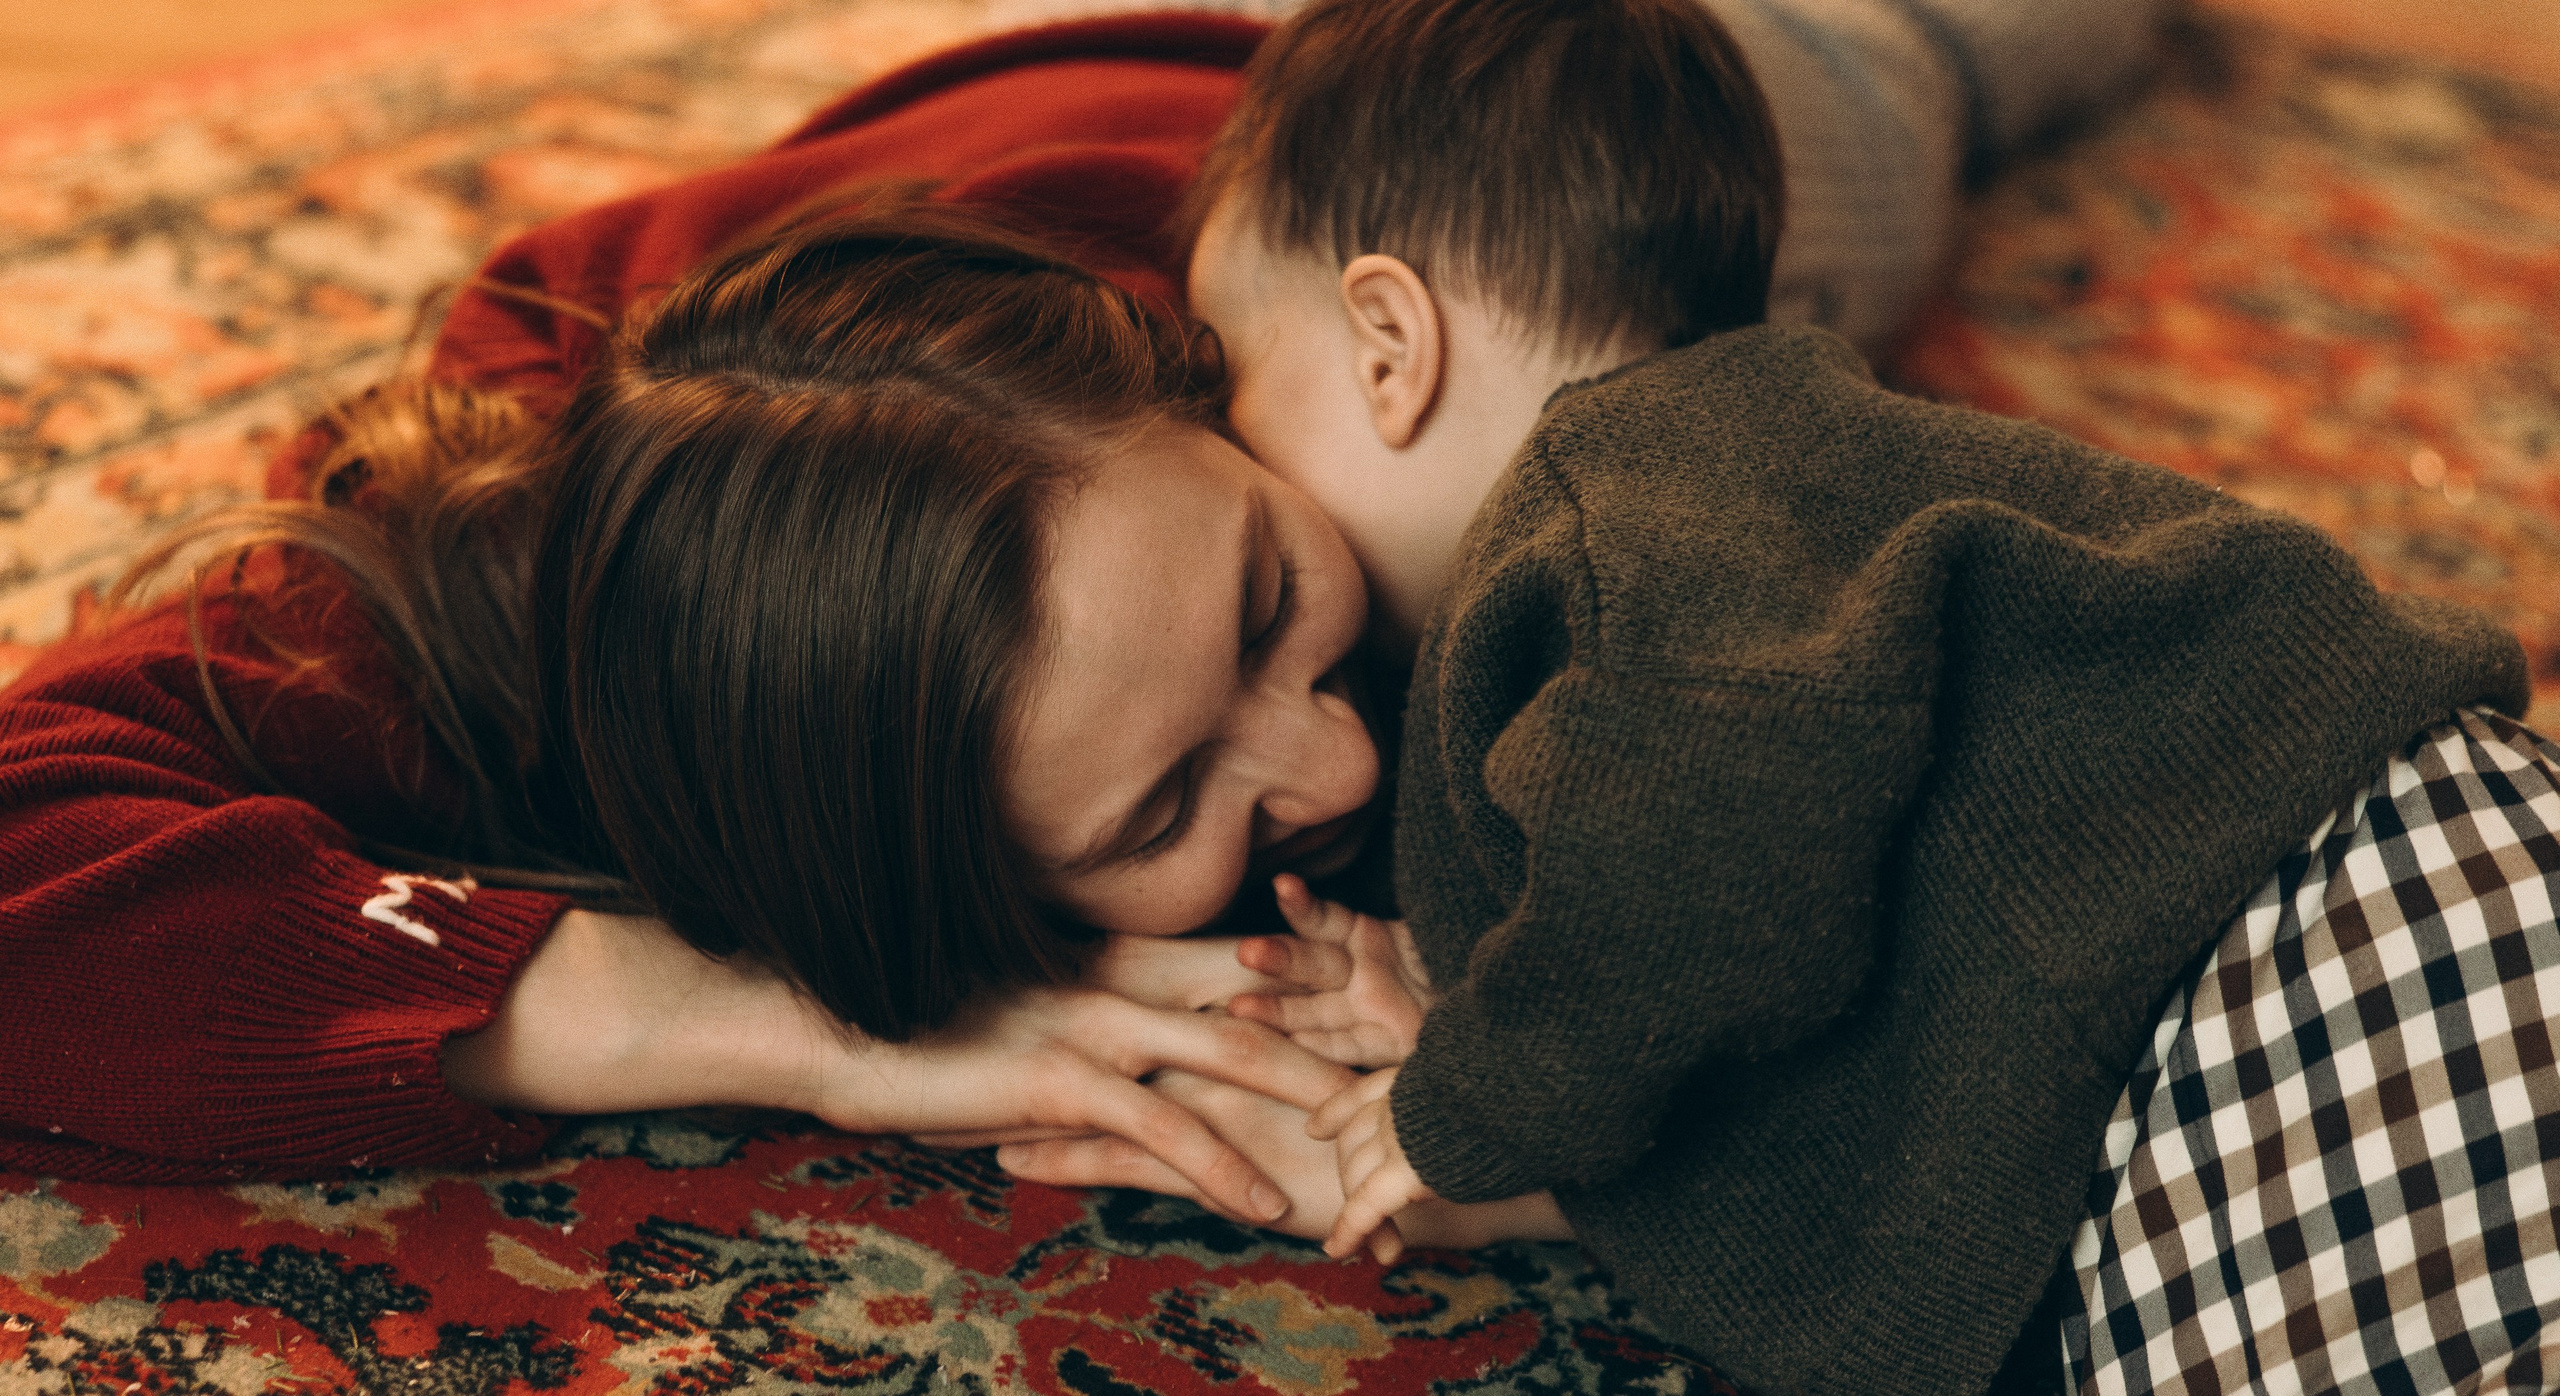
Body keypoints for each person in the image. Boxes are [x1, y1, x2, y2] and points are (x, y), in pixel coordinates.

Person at [975, 0, 2560, 1392]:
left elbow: (1698, 844)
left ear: (1389, 347)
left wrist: (1470, 1098)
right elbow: (1797, 970)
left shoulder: (1615, 495)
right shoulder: (1718, 497)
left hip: (2331, 949)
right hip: (2305, 970)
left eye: (1247, 386)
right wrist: (1472, 987)